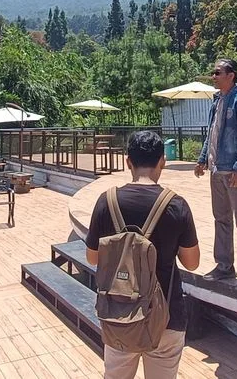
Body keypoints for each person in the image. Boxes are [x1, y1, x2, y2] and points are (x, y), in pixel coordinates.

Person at [86, 130, 200, 379]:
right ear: (163, 161)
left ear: (128, 162)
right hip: (166, 317)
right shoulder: (176, 204)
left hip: (119, 314)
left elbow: (93, 258)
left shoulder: (107, 202)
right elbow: (192, 263)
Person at [193, 58, 237, 292]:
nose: (214, 76)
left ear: (231, 75)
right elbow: (211, 134)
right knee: (221, 220)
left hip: (234, 171)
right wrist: (202, 159)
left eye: (217, 72)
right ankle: (224, 267)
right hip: (217, 169)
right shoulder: (217, 102)